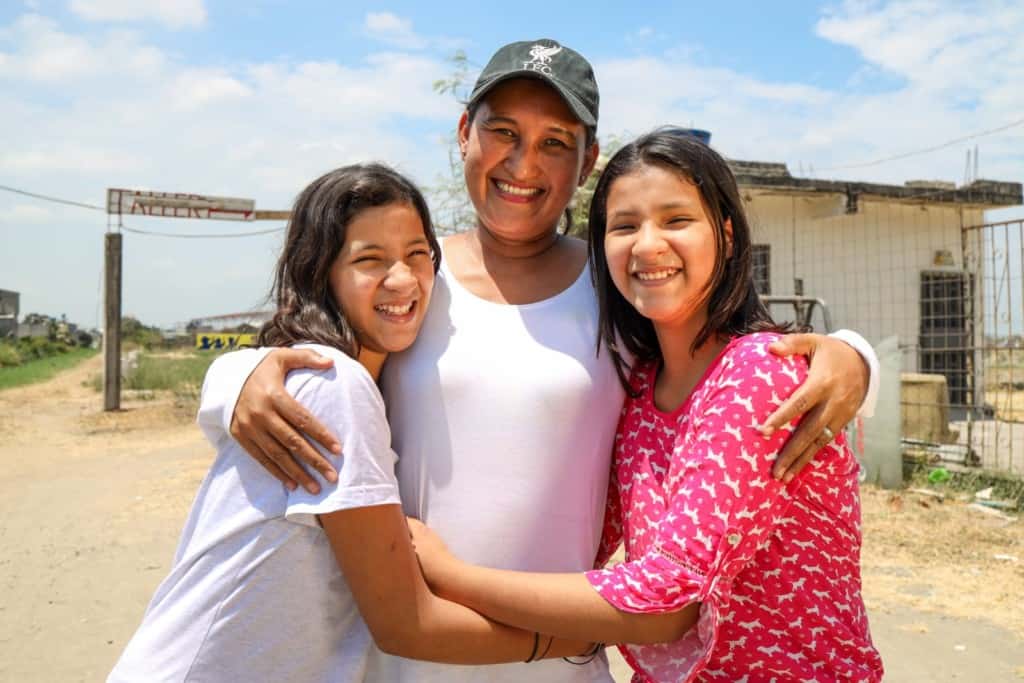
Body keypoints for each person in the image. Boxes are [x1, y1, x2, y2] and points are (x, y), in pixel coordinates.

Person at [198, 40, 879, 682]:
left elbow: (723, 369)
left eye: (556, 142)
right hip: (409, 651)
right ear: (464, 131)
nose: (524, 164)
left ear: (587, 164)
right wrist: (234, 380)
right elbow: (309, 358)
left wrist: (855, 357)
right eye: (503, 132)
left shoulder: (615, 290)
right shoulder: (415, 282)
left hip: (560, 658)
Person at [408, 131, 884, 682]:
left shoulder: (758, 370)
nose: (648, 245)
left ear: (726, 236)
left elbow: (667, 596)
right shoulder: (640, 391)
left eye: (676, 220)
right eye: (625, 226)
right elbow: (588, 541)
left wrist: (450, 576)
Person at [108, 164, 593, 682]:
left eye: (416, 255)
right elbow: (407, 626)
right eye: (369, 260)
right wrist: (575, 638)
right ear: (321, 273)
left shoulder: (351, 379)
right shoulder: (332, 382)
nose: (403, 279)